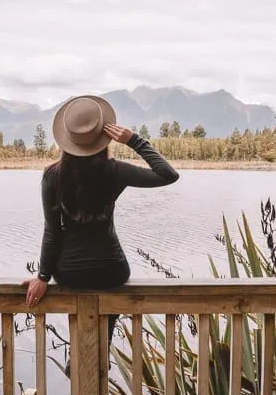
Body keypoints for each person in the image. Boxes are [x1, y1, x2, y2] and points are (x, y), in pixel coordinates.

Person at [23, 94, 179, 376]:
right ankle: (100, 353)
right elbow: (168, 175)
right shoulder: (114, 171)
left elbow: (52, 231)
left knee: (79, 305)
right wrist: (134, 140)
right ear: (103, 137)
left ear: (67, 139)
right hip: (111, 271)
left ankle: (79, 353)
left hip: (69, 274)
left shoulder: (52, 176)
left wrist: (43, 277)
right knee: (105, 303)